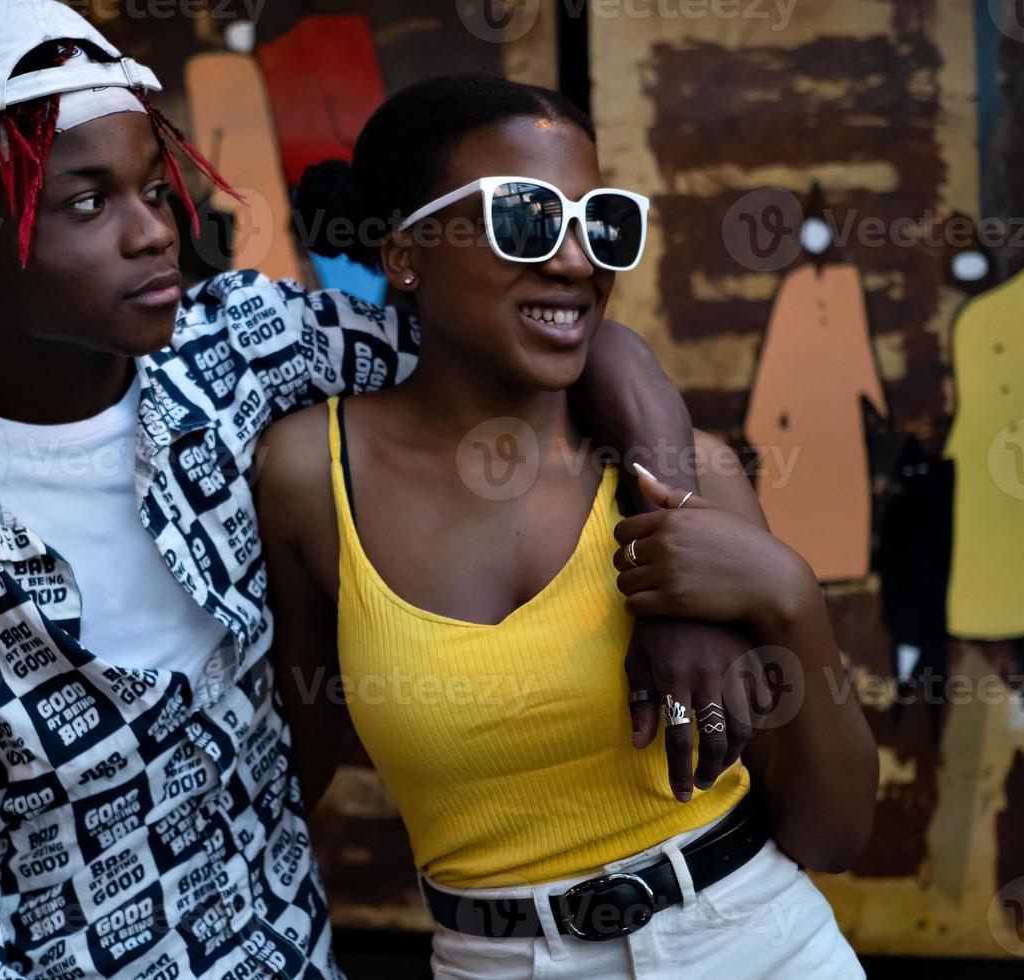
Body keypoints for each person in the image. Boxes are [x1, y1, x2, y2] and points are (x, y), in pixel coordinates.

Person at [0, 3, 744, 978]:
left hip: (276, 952)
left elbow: (565, 340)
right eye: (87, 202)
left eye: (157, 189)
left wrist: (677, 562)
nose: (155, 231)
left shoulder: (241, 347)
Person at [257, 74, 878, 978]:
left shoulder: (688, 475)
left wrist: (789, 597)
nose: (577, 261)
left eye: (602, 224)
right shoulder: (312, 476)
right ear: (404, 253)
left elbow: (834, 830)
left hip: (752, 940)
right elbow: (287, 777)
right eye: (526, 219)